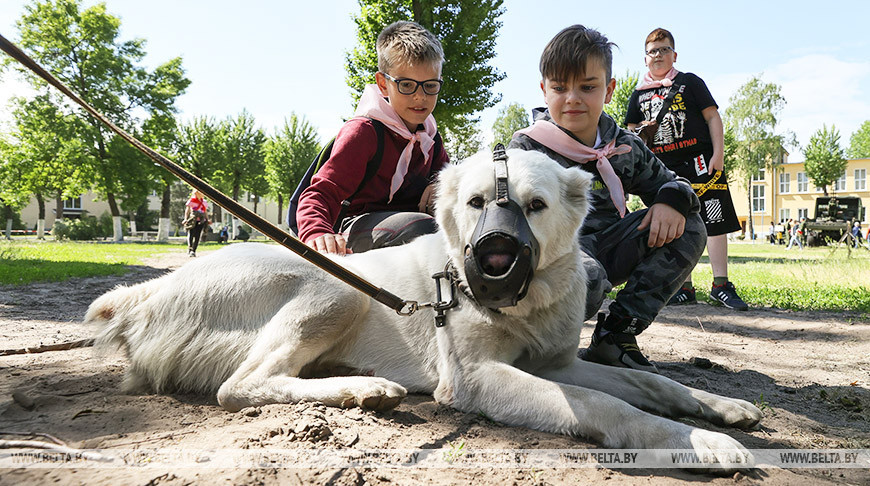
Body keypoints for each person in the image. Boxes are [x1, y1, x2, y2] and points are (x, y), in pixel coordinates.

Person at [509, 25, 705, 373]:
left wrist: (669, 200)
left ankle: (615, 338)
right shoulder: (527, 149)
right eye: (559, 88)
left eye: (587, 87)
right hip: (554, 257)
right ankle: (533, 346)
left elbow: (671, 182)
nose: (572, 98)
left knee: (688, 225)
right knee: (587, 276)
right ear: (543, 90)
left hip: (611, 244)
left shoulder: (624, 146)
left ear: (609, 89)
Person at [296, 21, 449, 255]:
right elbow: (320, 193)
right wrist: (317, 232)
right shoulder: (364, 132)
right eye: (406, 85)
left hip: (403, 227)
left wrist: (439, 183)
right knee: (421, 228)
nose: (420, 97)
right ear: (383, 84)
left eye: (430, 86)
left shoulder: (431, 138)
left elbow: (446, 176)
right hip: (352, 226)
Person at [626, 28, 748, 312]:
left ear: (674, 54)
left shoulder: (690, 82)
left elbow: (712, 117)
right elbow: (630, 132)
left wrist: (719, 154)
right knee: (674, 226)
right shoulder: (638, 94)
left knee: (714, 222)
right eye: (653, 51)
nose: (658, 55)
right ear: (645, 59)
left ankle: (721, 285)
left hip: (701, 163)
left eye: (664, 50)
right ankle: (684, 287)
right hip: (663, 171)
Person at [183, 190, 209, 257]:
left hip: (201, 221)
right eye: (200, 192)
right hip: (192, 220)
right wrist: (185, 219)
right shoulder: (191, 201)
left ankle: (194, 250)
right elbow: (187, 211)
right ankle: (190, 248)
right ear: (196, 193)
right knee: (191, 235)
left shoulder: (204, 202)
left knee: (197, 235)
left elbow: (205, 211)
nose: (202, 194)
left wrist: (207, 220)